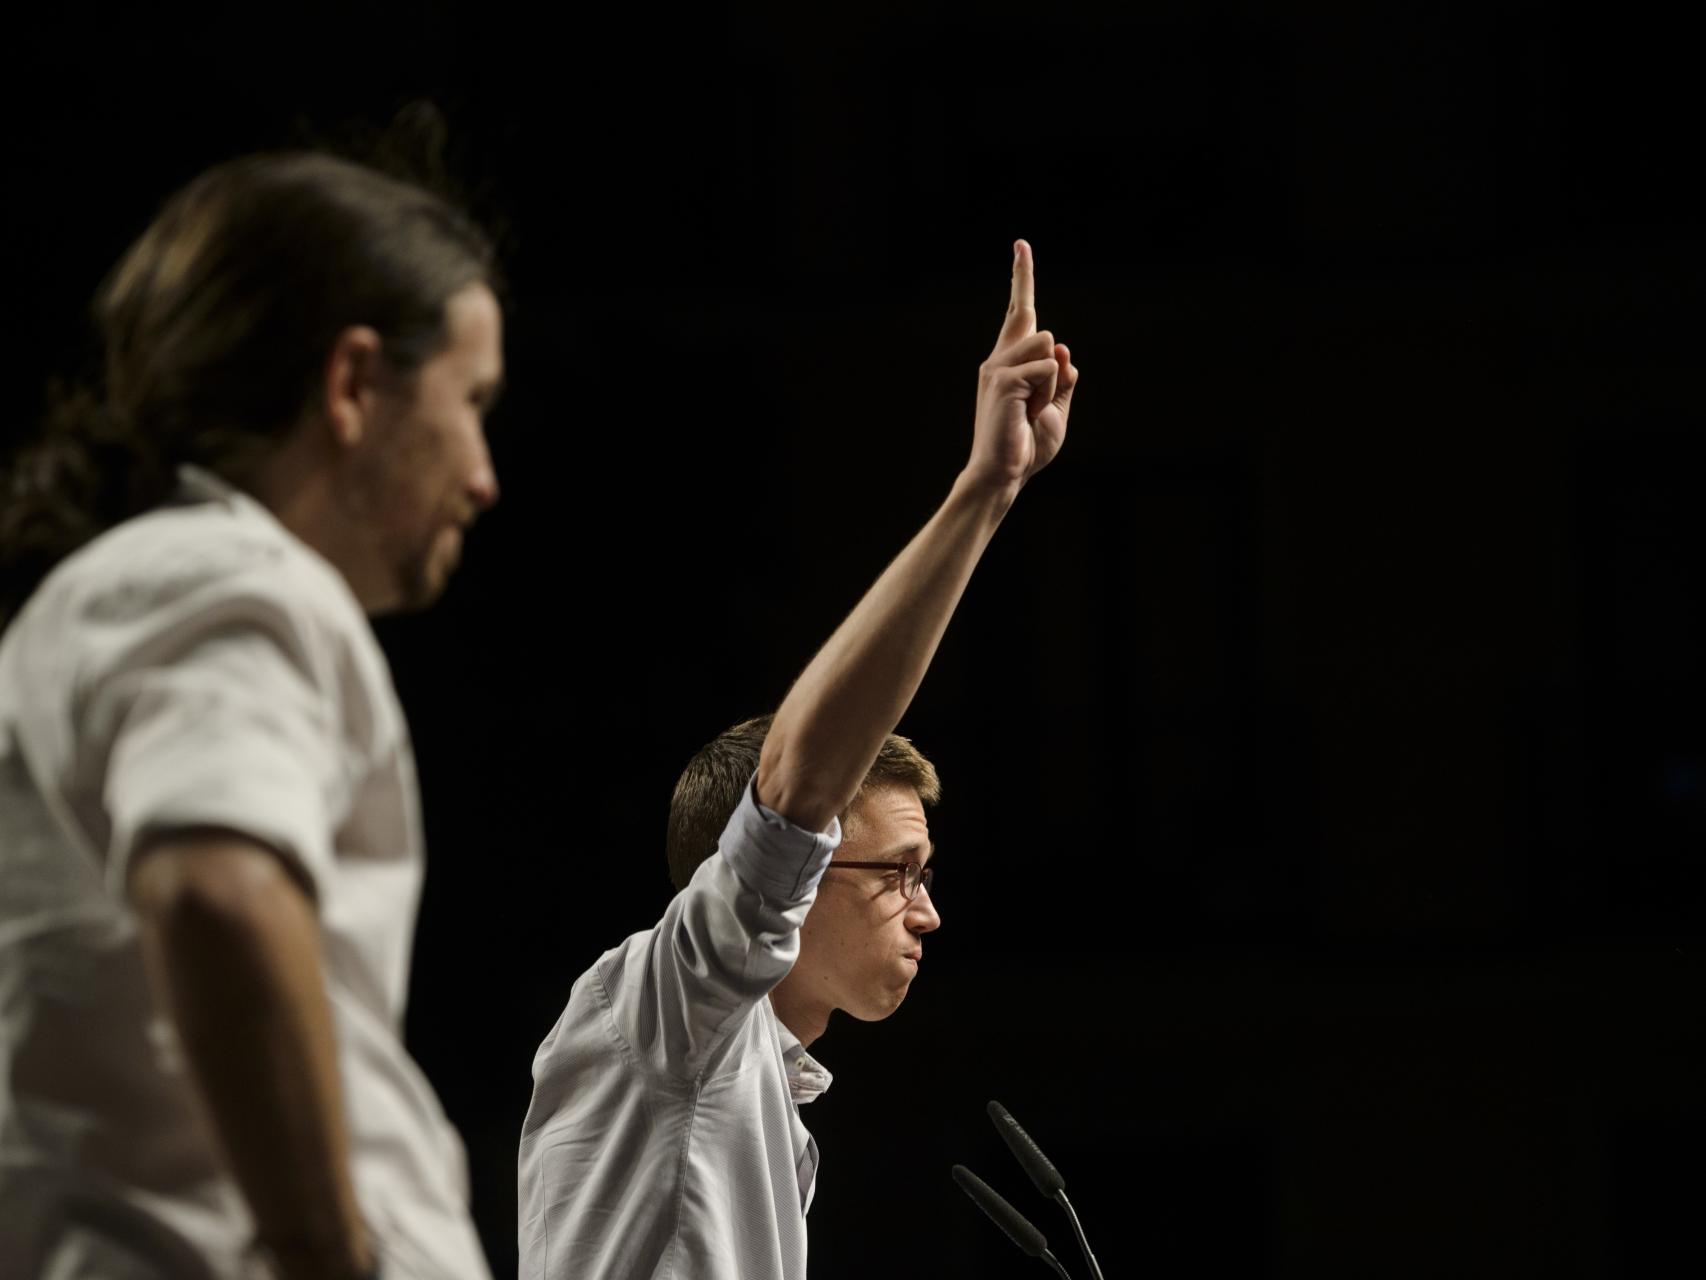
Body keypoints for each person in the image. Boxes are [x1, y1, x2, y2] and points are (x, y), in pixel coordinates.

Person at [517, 240, 1080, 1279]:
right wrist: (984, 490)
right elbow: (796, 783)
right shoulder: (671, 1013)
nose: (928, 909)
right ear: (792, 870)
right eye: (898, 871)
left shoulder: (765, 1098)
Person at [0, 145, 504, 1279]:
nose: (484, 475)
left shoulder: (128, 594)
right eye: (471, 402)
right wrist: (326, 1256)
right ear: (353, 384)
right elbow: (218, 891)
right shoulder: (223, 578)